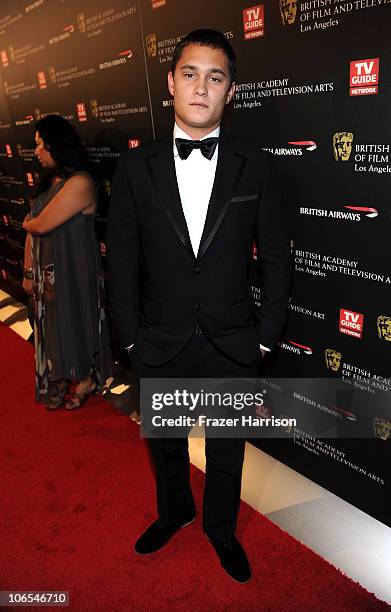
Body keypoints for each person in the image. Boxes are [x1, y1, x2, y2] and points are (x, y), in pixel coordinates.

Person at [106, 29, 291, 583]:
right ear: (170, 82)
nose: (201, 87)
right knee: (163, 443)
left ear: (230, 90)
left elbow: (277, 256)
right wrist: (131, 337)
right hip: (158, 337)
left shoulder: (253, 165)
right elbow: (120, 260)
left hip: (233, 339)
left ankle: (221, 528)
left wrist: (266, 335)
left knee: (228, 450)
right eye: (190, 73)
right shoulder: (135, 168)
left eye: (216, 77)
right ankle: (175, 511)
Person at [22, 114, 112, 411]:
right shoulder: (48, 181)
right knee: (53, 325)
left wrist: (28, 223)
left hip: (75, 270)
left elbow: (41, 225)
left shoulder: (80, 182)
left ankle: (85, 379)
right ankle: (61, 376)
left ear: (55, 144)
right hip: (47, 272)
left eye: (39, 145)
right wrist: (27, 271)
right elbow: (33, 232)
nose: (36, 151)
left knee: (78, 320)